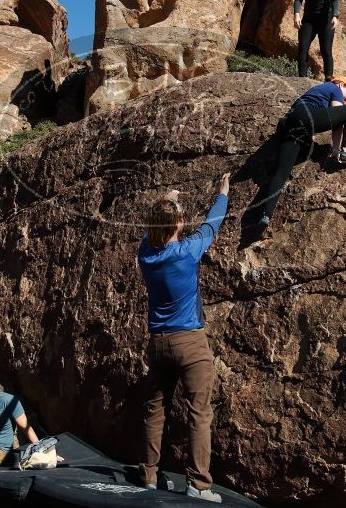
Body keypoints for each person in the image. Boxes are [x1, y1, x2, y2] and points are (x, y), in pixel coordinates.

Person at [137, 173, 230, 503]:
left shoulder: (146, 254)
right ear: (177, 224)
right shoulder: (187, 251)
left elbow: (156, 228)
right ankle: (199, 485)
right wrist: (223, 193)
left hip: (157, 343)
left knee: (155, 410)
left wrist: (169, 198)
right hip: (188, 341)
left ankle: (149, 475)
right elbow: (212, 224)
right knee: (199, 413)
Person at [259, 76, 346, 228]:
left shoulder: (317, 90)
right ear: (341, 84)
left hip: (288, 123)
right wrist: (340, 149)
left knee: (282, 172)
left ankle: (266, 215)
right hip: (305, 116)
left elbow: (334, 118)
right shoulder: (334, 88)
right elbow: (339, 119)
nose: (345, 98)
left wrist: (334, 150)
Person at [293, 0, 340, 80]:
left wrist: (335, 16)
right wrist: (296, 14)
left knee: (326, 51)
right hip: (309, 19)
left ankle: (328, 81)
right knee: (302, 48)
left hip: (326, 20)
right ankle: (302, 80)